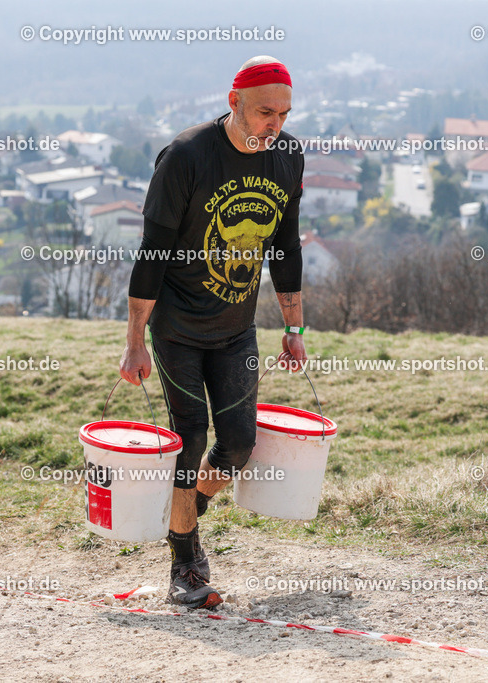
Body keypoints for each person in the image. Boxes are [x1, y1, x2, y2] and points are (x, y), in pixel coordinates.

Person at [119, 56, 307, 609]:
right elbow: (152, 254)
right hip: (176, 327)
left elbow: (287, 248)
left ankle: (185, 509)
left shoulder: (288, 157)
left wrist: (294, 326)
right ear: (235, 103)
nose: (274, 125)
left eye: (284, 114)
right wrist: (134, 339)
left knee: (240, 445)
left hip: (236, 329)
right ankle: (186, 560)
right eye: (264, 113)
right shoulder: (186, 156)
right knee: (190, 437)